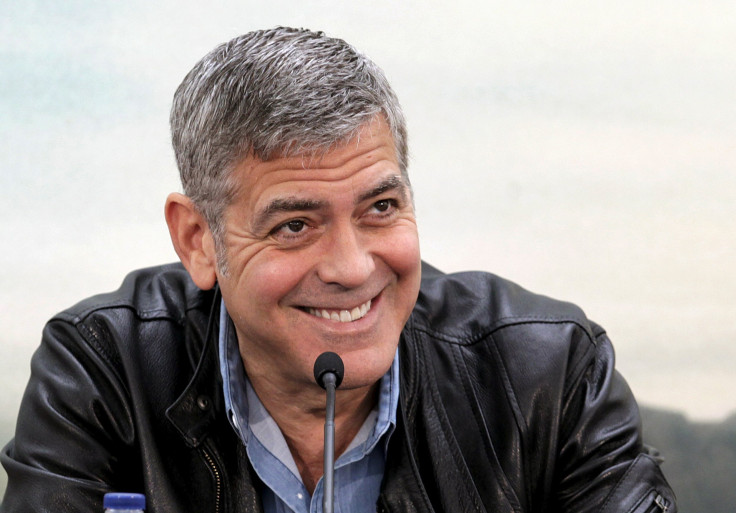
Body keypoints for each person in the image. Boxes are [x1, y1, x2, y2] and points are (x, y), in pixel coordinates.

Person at [1, 27, 676, 513]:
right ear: (198, 238)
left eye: (381, 207)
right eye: (295, 224)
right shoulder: (101, 370)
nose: (353, 268)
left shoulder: (551, 374)